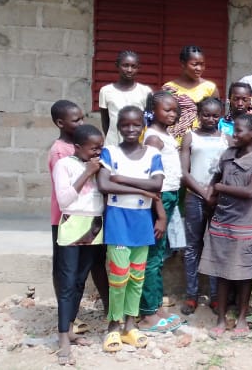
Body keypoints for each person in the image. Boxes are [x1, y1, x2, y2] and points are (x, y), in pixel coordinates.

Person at [96, 106, 166, 353]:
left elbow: (157, 183)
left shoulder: (152, 154)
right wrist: (142, 190)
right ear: (118, 127)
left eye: (136, 125)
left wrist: (122, 180)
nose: (130, 129)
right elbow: (104, 184)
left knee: (137, 276)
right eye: (125, 125)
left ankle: (130, 324)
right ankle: (113, 326)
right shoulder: (110, 152)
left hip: (141, 221)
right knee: (118, 276)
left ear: (142, 126)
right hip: (118, 218)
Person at [198, 113, 252, 339]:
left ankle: (241, 318)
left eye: (239, 131)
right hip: (221, 222)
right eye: (233, 130)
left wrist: (220, 188)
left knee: (244, 274)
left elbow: (250, 191)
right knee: (221, 274)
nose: (234, 134)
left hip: (245, 225)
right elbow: (215, 179)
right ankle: (221, 319)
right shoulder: (228, 154)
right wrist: (211, 193)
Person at [49, 101, 109, 327]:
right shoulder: (60, 154)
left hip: (91, 219)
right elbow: (64, 195)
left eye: (82, 118)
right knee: (67, 274)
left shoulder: (93, 153)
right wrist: (88, 171)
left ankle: (73, 318)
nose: (81, 122)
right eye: (76, 120)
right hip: (67, 217)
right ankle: (66, 322)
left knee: (86, 270)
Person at [139, 92, 184, 333]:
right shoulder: (153, 138)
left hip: (170, 196)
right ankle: (148, 313)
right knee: (153, 257)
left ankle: (157, 307)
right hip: (160, 199)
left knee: (158, 256)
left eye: (175, 110)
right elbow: (151, 177)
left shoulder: (165, 134)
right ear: (153, 110)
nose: (172, 114)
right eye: (166, 110)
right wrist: (161, 212)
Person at [178, 97, 227, 315]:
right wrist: (202, 192)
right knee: (192, 247)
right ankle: (191, 295)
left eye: (215, 115)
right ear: (198, 114)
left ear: (221, 116)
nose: (210, 119)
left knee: (215, 246)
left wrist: (213, 192)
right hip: (194, 196)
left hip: (218, 198)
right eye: (205, 114)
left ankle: (217, 296)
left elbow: (228, 170)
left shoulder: (227, 138)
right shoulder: (190, 137)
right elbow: (184, 172)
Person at [163, 45, 219, 141]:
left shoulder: (210, 88)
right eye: (195, 64)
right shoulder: (169, 88)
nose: (199, 68)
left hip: (200, 141)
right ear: (183, 64)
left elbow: (216, 117)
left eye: (202, 64)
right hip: (172, 140)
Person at [99, 50, 153, 146]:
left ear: (138, 68)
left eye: (134, 66)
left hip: (138, 144)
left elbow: (149, 120)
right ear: (117, 66)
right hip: (113, 143)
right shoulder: (106, 91)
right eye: (125, 65)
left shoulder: (145, 91)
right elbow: (105, 121)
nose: (129, 70)